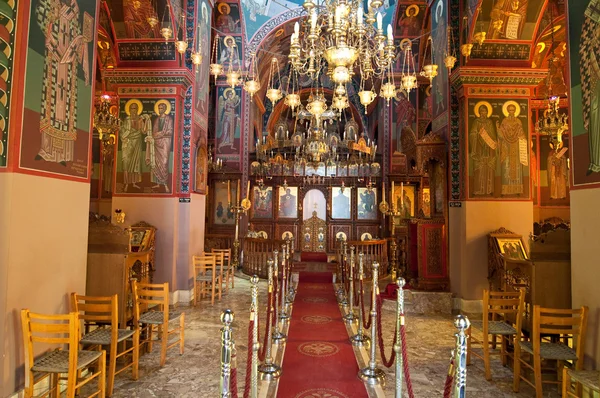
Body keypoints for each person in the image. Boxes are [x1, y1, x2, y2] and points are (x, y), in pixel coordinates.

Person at [36, 0, 91, 166]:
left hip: (69, 66)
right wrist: (51, 31)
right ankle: (46, 149)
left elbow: (79, 37)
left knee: (67, 107)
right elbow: (41, 15)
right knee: (51, 103)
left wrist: (83, 43)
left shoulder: (76, 9)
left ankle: (62, 154)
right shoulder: (51, 2)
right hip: (54, 58)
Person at [580, 2, 600, 175]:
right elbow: (587, 51)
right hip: (596, 85)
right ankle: (596, 162)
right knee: (596, 116)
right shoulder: (592, 44)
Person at [497, 103, 527, 195]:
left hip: (516, 147)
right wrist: (498, 129)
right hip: (506, 147)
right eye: (510, 110)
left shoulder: (518, 121)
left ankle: (517, 190)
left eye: (513, 110)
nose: (511, 112)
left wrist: (523, 139)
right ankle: (506, 190)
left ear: (515, 111)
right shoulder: (504, 121)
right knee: (506, 166)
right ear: (507, 111)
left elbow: (522, 134)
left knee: (517, 168)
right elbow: (501, 135)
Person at [121, 100, 150, 192]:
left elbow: (143, 132)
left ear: (137, 110)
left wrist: (146, 121)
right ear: (129, 110)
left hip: (137, 141)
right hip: (128, 142)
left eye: (135, 108)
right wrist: (123, 138)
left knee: (136, 163)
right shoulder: (127, 119)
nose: (133, 110)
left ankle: (134, 182)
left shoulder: (140, 119)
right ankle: (126, 183)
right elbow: (122, 131)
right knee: (126, 162)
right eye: (131, 108)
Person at [469, 103, 497, 196]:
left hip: (488, 150)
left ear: (487, 112)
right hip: (479, 149)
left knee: (489, 168)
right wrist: (477, 135)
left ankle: (489, 190)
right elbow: (472, 134)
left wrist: (492, 140)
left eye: (485, 111)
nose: (483, 113)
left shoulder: (489, 122)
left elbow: (492, 135)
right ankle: (478, 190)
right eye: (481, 111)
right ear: (479, 112)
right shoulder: (476, 122)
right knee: (479, 169)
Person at [146, 101, 174, 192]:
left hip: (165, 143)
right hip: (157, 143)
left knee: (165, 162)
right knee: (156, 162)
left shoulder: (169, 119)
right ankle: (158, 183)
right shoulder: (157, 120)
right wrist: (158, 135)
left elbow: (170, 131)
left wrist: (160, 134)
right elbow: (154, 132)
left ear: (165, 109)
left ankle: (165, 184)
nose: (160, 110)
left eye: (162, 108)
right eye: (159, 108)